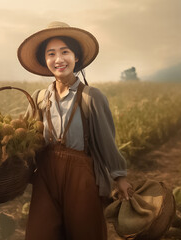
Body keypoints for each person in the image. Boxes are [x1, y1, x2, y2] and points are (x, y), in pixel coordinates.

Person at [17, 21, 132, 240]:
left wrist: (120, 177)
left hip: (82, 178)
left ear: (76, 57)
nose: (58, 59)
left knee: (85, 232)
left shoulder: (92, 97)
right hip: (45, 177)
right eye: (51, 54)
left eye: (65, 52)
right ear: (45, 60)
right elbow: (26, 137)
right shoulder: (39, 98)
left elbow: (106, 142)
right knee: (41, 233)